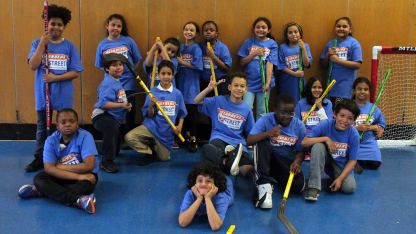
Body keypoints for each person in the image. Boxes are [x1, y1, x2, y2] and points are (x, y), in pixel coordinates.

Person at [25, 4, 83, 172]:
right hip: (44, 95)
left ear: (64, 27)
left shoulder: (70, 47)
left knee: (65, 127)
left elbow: (75, 72)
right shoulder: (37, 43)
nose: (55, 27)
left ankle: (63, 157)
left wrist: (55, 78)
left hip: (63, 95)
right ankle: (39, 158)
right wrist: (42, 44)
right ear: (46, 24)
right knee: (42, 127)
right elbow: (33, 65)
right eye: (52, 23)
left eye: (59, 24)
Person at [18, 108, 98, 214]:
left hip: (85, 175)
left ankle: (42, 191)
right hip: (67, 176)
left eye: (72, 121)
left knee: (86, 185)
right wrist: (78, 176)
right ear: (57, 126)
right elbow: (49, 168)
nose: (67, 125)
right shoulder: (51, 140)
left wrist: (61, 167)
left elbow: (89, 166)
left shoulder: (86, 137)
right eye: (63, 122)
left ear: (77, 124)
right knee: (39, 178)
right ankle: (79, 200)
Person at [247, 94, 306, 209]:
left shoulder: (299, 126)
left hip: (285, 163)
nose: (287, 117)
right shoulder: (265, 119)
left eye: (290, 113)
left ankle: (267, 176)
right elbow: (249, 140)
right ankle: (263, 184)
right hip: (267, 159)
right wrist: (268, 133)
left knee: (299, 186)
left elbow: (301, 151)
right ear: (275, 110)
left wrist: (297, 162)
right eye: (283, 112)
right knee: (261, 141)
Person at [125, 60, 187, 165]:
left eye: (169, 74)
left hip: (166, 132)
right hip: (151, 127)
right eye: (163, 73)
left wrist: (179, 126)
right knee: (129, 137)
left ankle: (154, 145)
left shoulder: (177, 94)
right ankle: (149, 152)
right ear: (158, 75)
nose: (166, 76)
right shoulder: (152, 92)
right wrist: (150, 105)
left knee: (164, 158)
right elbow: (148, 114)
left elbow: (182, 113)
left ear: (173, 75)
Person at [194, 72, 255, 176]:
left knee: (247, 169)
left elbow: (252, 133)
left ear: (246, 89)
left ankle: (227, 162)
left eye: (242, 86)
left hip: (238, 144)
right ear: (229, 87)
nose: (239, 89)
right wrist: (209, 88)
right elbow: (197, 101)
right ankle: (228, 162)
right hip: (219, 139)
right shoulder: (218, 100)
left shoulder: (247, 109)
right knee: (210, 150)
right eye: (236, 85)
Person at [302, 99, 360, 201]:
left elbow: (352, 161)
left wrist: (340, 179)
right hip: (325, 159)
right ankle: (313, 187)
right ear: (334, 114)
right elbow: (304, 142)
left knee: (350, 188)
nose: (345, 121)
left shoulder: (354, 134)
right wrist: (326, 139)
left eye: (350, 118)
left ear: (354, 121)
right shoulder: (326, 124)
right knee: (318, 146)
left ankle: (336, 177)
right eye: (342, 116)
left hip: (340, 166)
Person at [95, 14, 142, 133]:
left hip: (128, 82)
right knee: (114, 110)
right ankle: (117, 136)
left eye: (119, 26)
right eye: (113, 25)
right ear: (107, 26)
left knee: (130, 110)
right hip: (112, 85)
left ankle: (130, 136)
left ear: (122, 28)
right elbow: (101, 65)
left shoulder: (128, 41)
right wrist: (113, 75)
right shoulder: (102, 44)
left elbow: (136, 60)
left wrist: (127, 71)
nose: (115, 28)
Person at [92, 53, 132, 173]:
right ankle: (106, 162)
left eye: (120, 64)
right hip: (102, 116)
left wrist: (126, 106)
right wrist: (121, 105)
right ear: (107, 69)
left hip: (113, 117)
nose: (118, 67)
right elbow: (104, 104)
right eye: (114, 65)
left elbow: (119, 100)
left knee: (115, 146)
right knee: (112, 129)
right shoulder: (108, 83)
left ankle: (97, 148)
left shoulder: (116, 81)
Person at [238, 17, 278, 120]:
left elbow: (270, 63)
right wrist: (254, 54)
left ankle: (259, 134)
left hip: (263, 82)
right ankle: (247, 133)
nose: (260, 29)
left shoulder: (272, 44)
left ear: (268, 30)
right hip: (249, 82)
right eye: (258, 27)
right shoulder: (248, 42)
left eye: (263, 27)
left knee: (262, 110)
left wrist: (267, 83)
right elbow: (242, 62)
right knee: (246, 109)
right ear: (254, 29)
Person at [178, 162, 233, 231]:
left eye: (208, 181)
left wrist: (208, 198)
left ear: (215, 184)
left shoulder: (220, 197)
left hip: (227, 188)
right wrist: (199, 198)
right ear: (195, 182)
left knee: (227, 179)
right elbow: (182, 222)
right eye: (200, 180)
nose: (203, 184)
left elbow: (215, 226)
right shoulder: (190, 194)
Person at [320, 17, 362, 107]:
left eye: (344, 26)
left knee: (341, 112)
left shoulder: (354, 43)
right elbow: (323, 64)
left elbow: (357, 64)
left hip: (345, 88)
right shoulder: (331, 43)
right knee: (332, 113)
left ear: (350, 29)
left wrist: (337, 60)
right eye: (338, 26)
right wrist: (328, 55)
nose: (341, 28)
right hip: (330, 87)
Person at [177, 21, 203, 152]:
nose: (188, 32)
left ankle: (194, 139)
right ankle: (185, 137)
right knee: (182, 113)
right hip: (179, 84)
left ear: (196, 33)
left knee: (192, 114)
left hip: (191, 85)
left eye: (191, 30)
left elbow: (199, 66)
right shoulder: (180, 47)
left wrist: (182, 62)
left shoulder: (196, 48)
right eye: (186, 29)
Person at [352, 77, 385, 171]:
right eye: (359, 89)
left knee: (375, 164)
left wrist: (377, 128)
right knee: (358, 163)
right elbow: (341, 127)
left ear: (369, 91)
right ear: (354, 91)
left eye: (365, 89)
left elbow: (381, 123)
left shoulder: (374, 108)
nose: (362, 91)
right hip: (353, 143)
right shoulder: (348, 106)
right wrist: (357, 128)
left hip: (369, 143)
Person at [278, 22, 312, 101]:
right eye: (290, 32)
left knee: (299, 102)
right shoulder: (282, 47)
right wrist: (294, 74)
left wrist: (303, 49)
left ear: (300, 34)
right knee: (287, 103)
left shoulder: (305, 46)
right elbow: (281, 66)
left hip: (299, 81)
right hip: (286, 81)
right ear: (286, 35)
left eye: (296, 32)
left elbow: (307, 64)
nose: (293, 34)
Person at [199, 20, 232, 95]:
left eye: (211, 30)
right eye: (206, 30)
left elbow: (227, 68)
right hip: (204, 82)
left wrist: (213, 57)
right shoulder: (200, 47)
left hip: (219, 81)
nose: (208, 32)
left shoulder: (222, 48)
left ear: (217, 34)